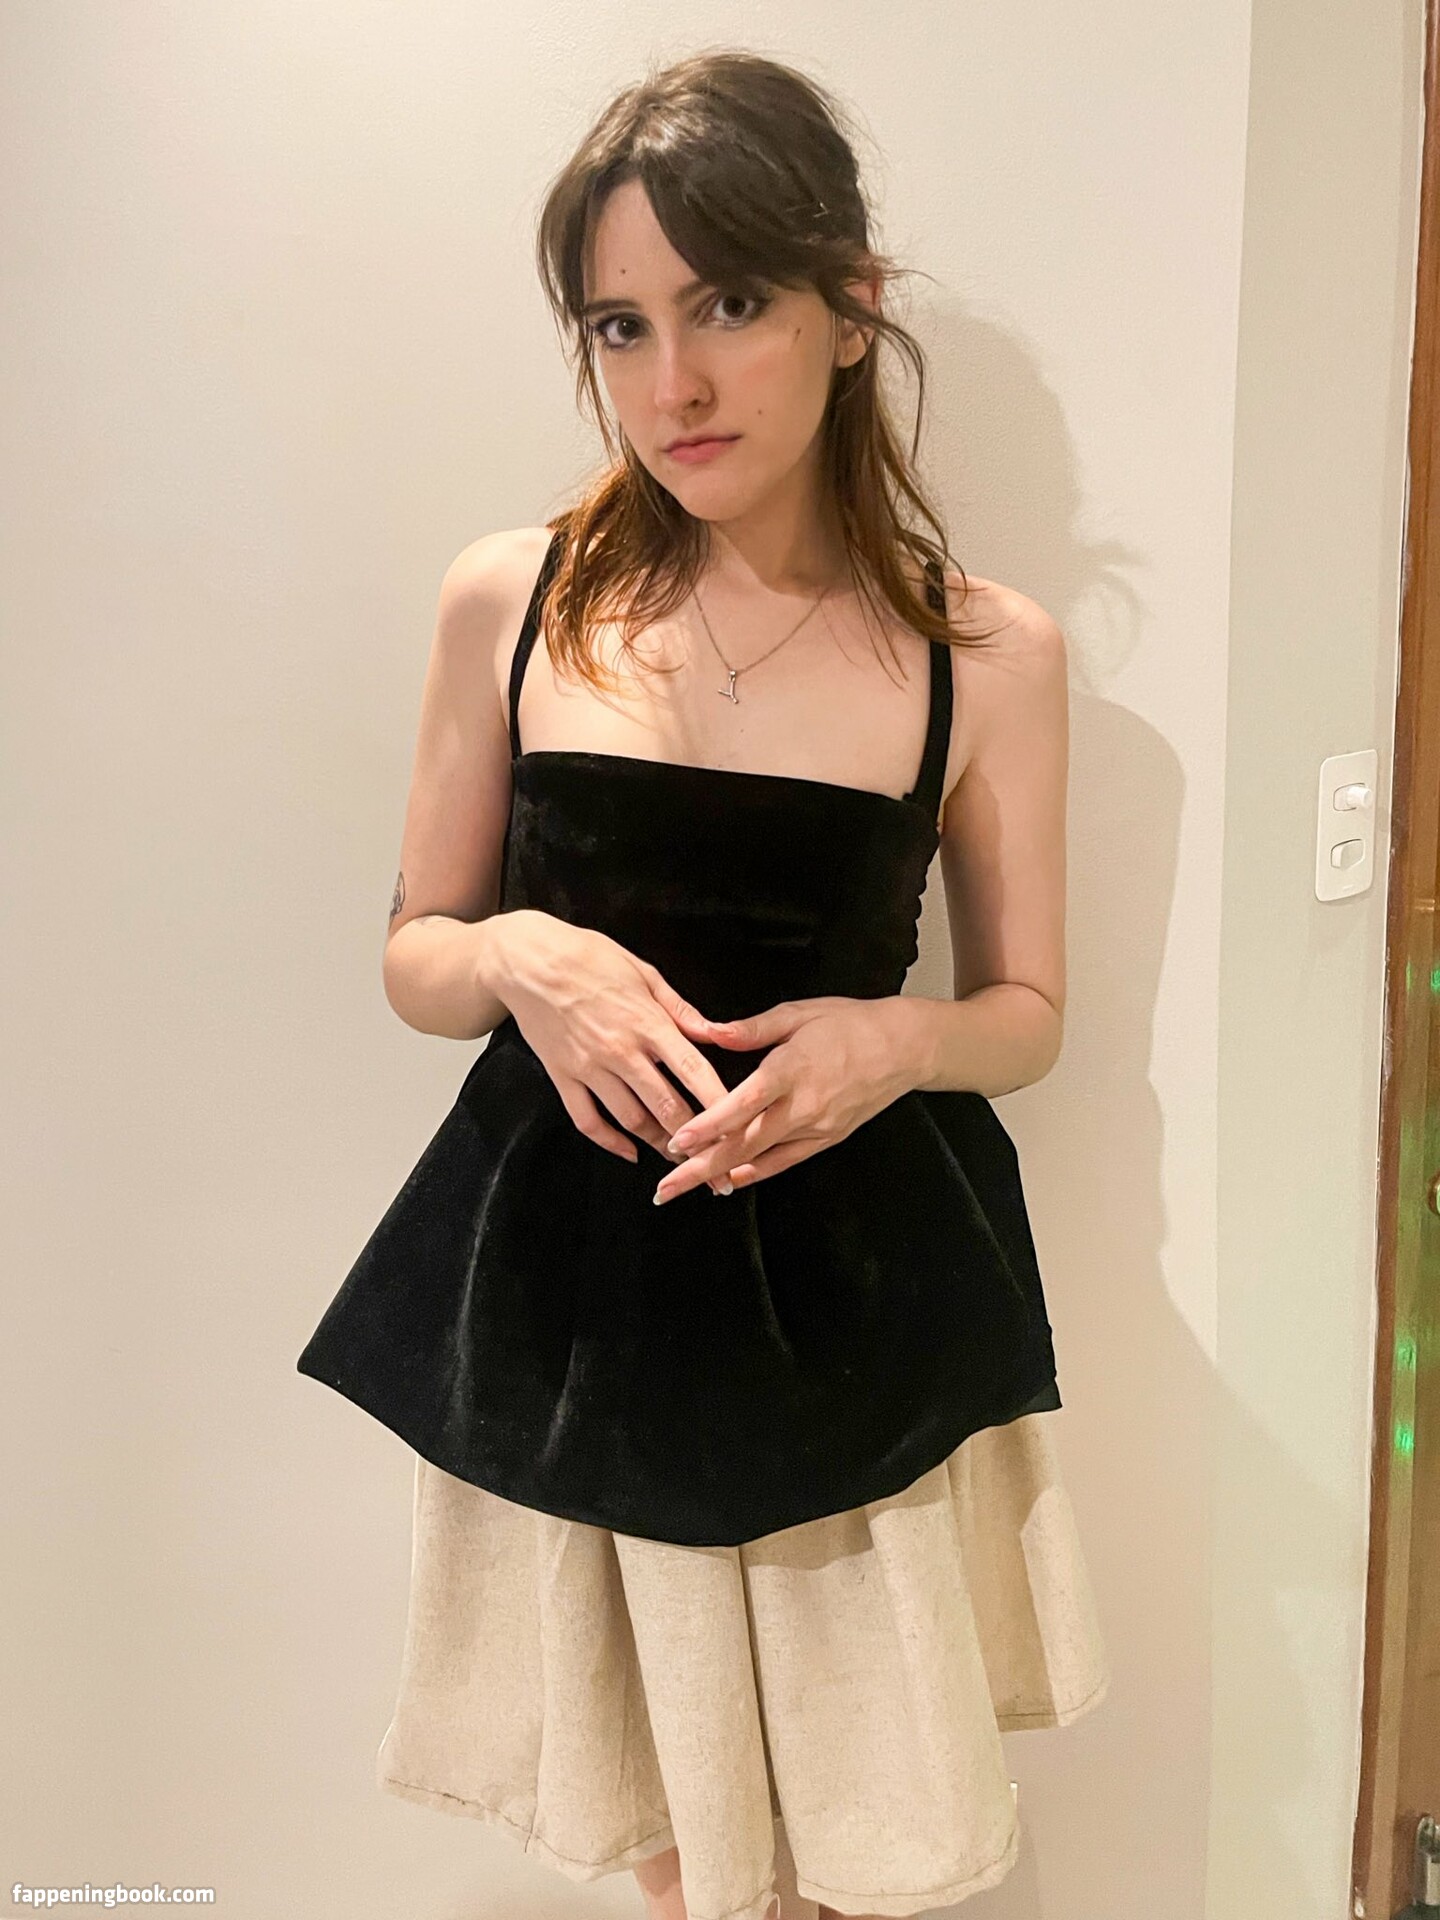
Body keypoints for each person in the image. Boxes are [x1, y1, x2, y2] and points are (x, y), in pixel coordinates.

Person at [297, 47, 1109, 1920]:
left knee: (854, 1841)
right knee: (672, 1855)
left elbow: (1029, 1016)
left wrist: (896, 1040)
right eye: (621, 325)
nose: (673, 382)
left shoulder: (984, 653)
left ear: (851, 308)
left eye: (729, 304)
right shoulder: (514, 599)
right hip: (580, 1308)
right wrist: (518, 956)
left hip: (853, 1311)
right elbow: (418, 956)